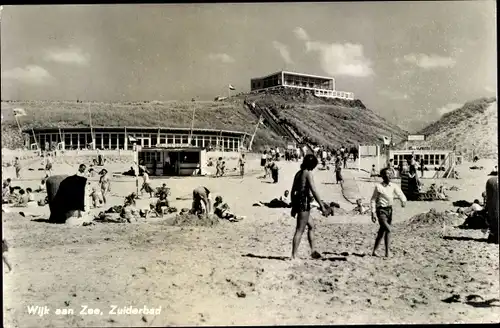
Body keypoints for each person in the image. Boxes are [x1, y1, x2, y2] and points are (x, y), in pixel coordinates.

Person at [290, 154, 328, 260]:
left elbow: (293, 190)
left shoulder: (298, 173)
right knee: (299, 230)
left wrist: (294, 206)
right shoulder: (308, 173)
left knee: (311, 225)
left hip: (298, 201)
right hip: (304, 202)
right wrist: (322, 206)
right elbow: (314, 190)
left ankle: (313, 251)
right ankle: (293, 255)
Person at [370, 168, 407, 257]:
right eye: (386, 174)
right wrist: (373, 213)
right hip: (381, 210)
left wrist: (403, 201)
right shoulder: (378, 187)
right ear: (382, 176)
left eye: (390, 174)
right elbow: (373, 200)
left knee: (382, 231)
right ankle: (387, 252)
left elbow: (400, 194)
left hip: (389, 211)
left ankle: (377, 251)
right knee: (388, 229)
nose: (389, 175)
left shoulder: (393, 186)